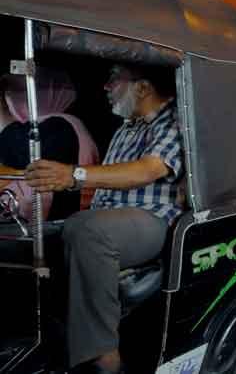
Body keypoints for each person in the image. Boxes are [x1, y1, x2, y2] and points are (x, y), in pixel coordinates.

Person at [23, 63, 184, 373]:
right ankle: (46, 339)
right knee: (36, 235)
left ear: (142, 87)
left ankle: (105, 357)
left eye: (114, 78)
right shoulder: (128, 127)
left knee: (88, 230)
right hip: (110, 218)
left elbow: (149, 169)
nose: (106, 87)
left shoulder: (174, 119)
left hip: (154, 220)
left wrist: (74, 175)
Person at [1, 69, 99, 220]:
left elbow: (14, 153)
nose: (10, 102)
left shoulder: (57, 125)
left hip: (56, 223)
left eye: (12, 95)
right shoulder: (67, 122)